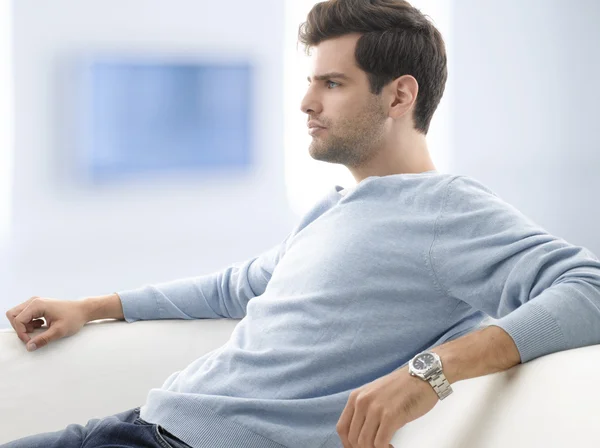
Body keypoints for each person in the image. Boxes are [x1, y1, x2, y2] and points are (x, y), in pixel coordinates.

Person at [5, 0, 600, 447]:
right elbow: (236, 286)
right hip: (145, 425)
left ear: (399, 97)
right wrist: (91, 305)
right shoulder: (336, 206)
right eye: (312, 80)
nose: (306, 102)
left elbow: (589, 289)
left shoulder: (447, 209)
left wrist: (431, 371)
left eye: (332, 83)